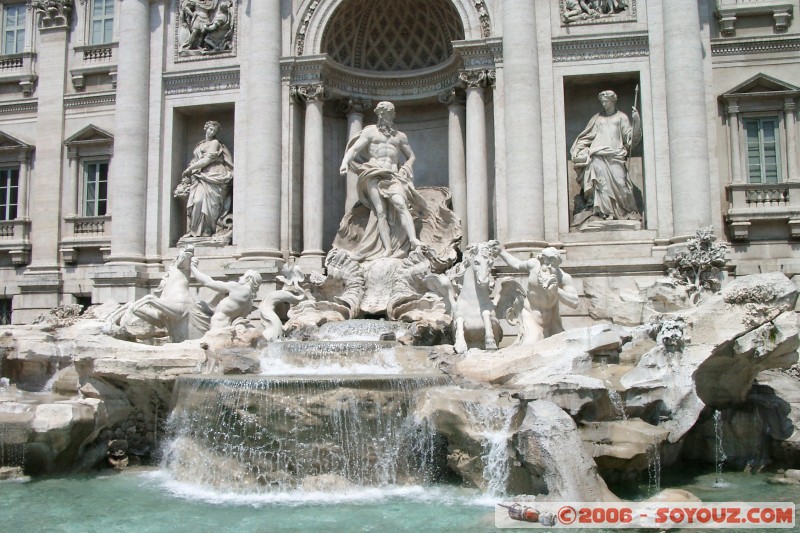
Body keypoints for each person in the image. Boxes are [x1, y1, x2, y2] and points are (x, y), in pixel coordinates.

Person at [339, 101, 426, 259]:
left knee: (401, 204)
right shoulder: (370, 132)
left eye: (385, 113)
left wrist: (406, 167)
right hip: (374, 173)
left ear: (392, 115)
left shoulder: (400, 137)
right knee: (380, 212)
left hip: (393, 175)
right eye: (380, 113)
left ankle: (413, 240)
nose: (382, 116)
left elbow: (411, 156)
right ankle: (387, 249)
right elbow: (355, 148)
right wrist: (345, 162)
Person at [570, 90, 642, 223]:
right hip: (598, 155)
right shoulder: (597, 119)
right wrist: (579, 150)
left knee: (621, 183)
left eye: (606, 101)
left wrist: (636, 121)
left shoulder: (622, 117)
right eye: (602, 101)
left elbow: (631, 140)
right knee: (600, 185)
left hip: (616, 155)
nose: (604, 104)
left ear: (613, 101)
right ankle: (603, 213)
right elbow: (587, 137)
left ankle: (622, 212)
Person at [495, 245, 579, 344]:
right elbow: (517, 264)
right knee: (532, 343)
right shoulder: (533, 265)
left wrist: (557, 290)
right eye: (545, 262)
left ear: (558, 264)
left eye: (553, 264)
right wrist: (502, 252)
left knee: (563, 346)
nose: (548, 267)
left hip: (553, 320)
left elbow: (575, 302)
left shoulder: (564, 278)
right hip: (531, 315)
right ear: (540, 260)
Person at [176, 120, 234, 238]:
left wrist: (190, 169)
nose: (212, 132)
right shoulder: (200, 145)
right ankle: (194, 231)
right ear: (205, 128)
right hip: (200, 176)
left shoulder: (215, 143)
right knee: (197, 201)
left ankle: (207, 230)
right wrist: (192, 168)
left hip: (214, 174)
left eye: (215, 130)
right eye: (210, 129)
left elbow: (207, 160)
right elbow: (197, 160)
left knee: (211, 205)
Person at [190, 262, 261, 331]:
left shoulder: (238, 288)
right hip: (227, 328)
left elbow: (208, 282)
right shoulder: (250, 302)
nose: (240, 277)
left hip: (217, 329)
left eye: (243, 276)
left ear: (248, 278)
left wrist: (193, 267)